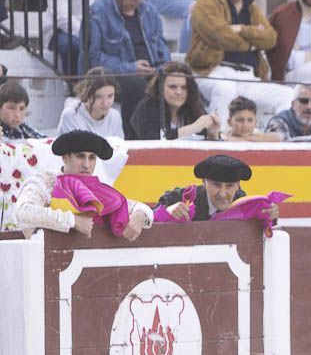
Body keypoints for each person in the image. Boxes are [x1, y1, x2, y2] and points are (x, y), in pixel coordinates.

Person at [187, 0, 293, 121]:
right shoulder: (207, 1)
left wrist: (241, 29)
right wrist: (252, 44)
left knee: (289, 96)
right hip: (212, 71)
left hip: (248, 75)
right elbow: (219, 36)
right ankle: (217, 139)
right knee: (225, 90)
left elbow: (271, 39)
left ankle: (275, 138)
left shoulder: (252, 8)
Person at [12, 130, 152, 240]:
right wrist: (73, 220)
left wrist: (140, 215)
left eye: (92, 158)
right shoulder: (46, 182)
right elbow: (23, 211)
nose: (86, 164)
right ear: (65, 158)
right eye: (80, 156)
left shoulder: (96, 188)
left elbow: (135, 206)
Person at [86, 0, 171, 133]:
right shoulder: (98, 12)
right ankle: (134, 141)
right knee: (136, 84)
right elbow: (94, 57)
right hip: (115, 74)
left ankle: (176, 135)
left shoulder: (150, 11)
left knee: (178, 80)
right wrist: (131, 68)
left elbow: (162, 47)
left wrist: (164, 68)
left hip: (151, 70)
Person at [157, 154, 279, 222]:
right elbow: (149, 217)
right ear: (203, 182)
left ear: (237, 185)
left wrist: (270, 215)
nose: (222, 193)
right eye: (216, 185)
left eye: (229, 186)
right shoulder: (180, 197)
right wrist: (167, 212)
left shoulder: (242, 203)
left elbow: (262, 226)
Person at [127, 62, 220, 141]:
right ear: (160, 87)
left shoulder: (193, 105)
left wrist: (212, 134)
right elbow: (152, 139)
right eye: (173, 87)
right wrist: (193, 128)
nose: (179, 92)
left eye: (184, 87)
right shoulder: (146, 107)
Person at [57, 68, 124, 139]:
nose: (105, 103)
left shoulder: (115, 116)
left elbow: (119, 146)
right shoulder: (71, 116)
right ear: (87, 94)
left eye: (110, 96)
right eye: (98, 97)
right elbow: (77, 149)